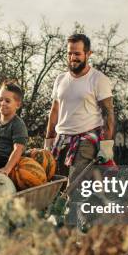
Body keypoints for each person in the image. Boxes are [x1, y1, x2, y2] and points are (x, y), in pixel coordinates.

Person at [44, 33, 115, 187]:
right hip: (61, 139)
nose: (72, 57)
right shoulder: (60, 79)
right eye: (69, 53)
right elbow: (54, 111)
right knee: (56, 183)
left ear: (88, 54)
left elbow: (108, 112)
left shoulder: (98, 79)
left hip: (85, 139)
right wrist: (48, 140)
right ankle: (58, 211)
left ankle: (74, 209)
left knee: (74, 186)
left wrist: (107, 145)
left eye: (77, 53)